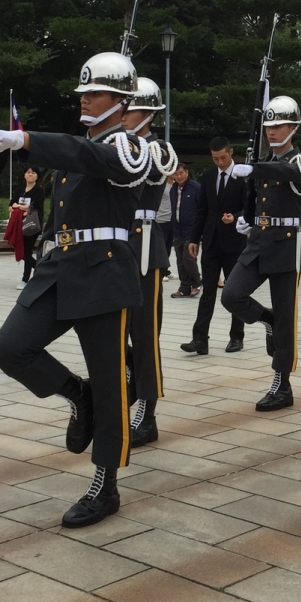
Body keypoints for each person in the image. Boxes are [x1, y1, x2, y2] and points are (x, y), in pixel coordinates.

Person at [0, 50, 156, 529]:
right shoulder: (79, 147)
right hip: (60, 267)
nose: (84, 99)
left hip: (104, 273)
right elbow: (75, 166)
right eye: (83, 92)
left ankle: (105, 484)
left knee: (110, 383)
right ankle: (77, 395)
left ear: (120, 101)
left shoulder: (132, 148)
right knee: (10, 347)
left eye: (95, 92)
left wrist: (26, 139)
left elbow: (97, 159)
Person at [222, 97, 301, 410]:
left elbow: (289, 173)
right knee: (231, 295)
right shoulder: (262, 161)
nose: (273, 131)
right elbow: (257, 198)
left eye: (280, 125)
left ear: (294, 127)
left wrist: (253, 168)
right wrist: (245, 218)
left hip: (285, 245)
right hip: (259, 240)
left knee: (287, 317)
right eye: (269, 126)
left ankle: (282, 384)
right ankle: (267, 319)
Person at [119, 77, 178, 448]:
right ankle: (130, 382)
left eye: (129, 109)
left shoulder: (158, 148)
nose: (123, 115)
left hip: (143, 249)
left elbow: (149, 168)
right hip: (116, 246)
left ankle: (147, 410)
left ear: (149, 113)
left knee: (143, 335)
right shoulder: (117, 143)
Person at [181, 138, 248, 354]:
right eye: (215, 158)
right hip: (211, 242)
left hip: (235, 242)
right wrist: (194, 239)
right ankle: (200, 339)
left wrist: (236, 217)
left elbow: (251, 207)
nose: (219, 162)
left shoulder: (243, 176)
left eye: (223, 158)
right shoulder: (209, 177)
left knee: (234, 292)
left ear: (231, 152)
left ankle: (236, 336)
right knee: (207, 292)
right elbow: (202, 209)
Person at [10, 166, 45, 287]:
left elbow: (33, 207)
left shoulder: (39, 191)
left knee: (27, 251)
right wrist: (19, 207)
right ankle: (40, 268)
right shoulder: (19, 190)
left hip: (32, 225)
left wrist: (19, 207)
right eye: (28, 172)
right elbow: (11, 205)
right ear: (24, 175)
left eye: (33, 172)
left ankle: (25, 279)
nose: (30, 174)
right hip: (19, 224)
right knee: (23, 251)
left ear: (37, 176)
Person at [169, 164, 201, 297]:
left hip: (192, 230)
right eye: (176, 174)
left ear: (187, 173)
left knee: (189, 258)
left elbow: (202, 209)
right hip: (178, 230)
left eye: (181, 173)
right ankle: (184, 287)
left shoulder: (196, 188)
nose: (179, 176)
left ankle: (196, 283)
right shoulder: (173, 189)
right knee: (180, 261)